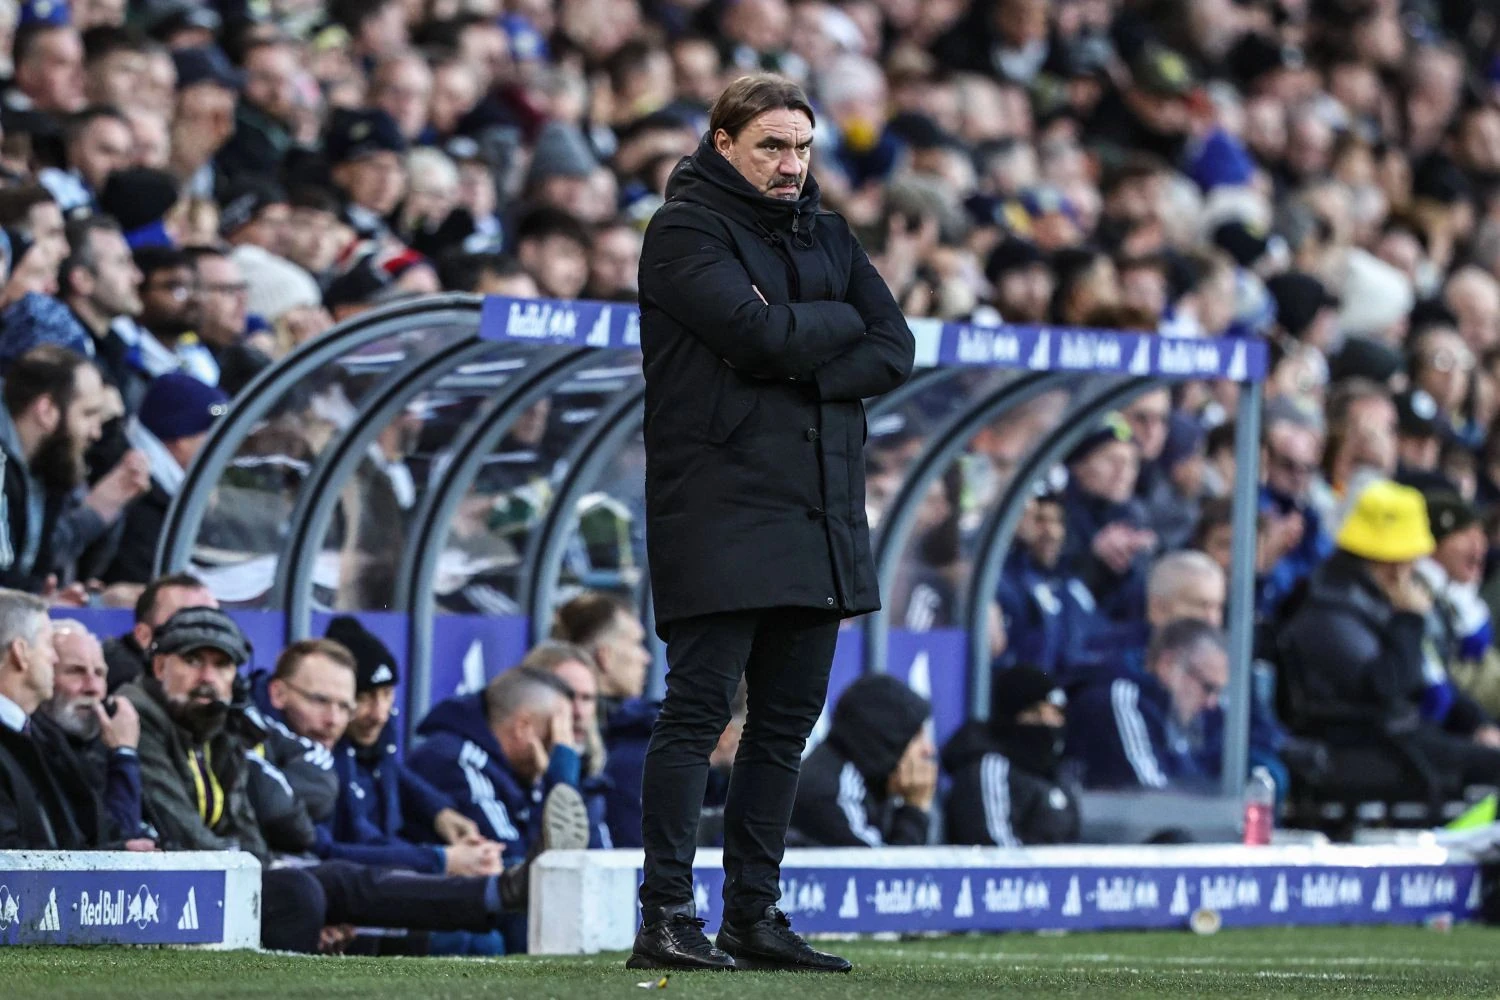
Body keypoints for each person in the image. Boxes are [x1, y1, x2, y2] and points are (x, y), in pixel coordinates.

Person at [633, 73, 913, 975]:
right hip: (718, 509)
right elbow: (754, 339)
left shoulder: (827, 229)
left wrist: (803, 358)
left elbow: (894, 346)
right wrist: (834, 327)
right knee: (696, 713)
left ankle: (753, 915)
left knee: (785, 726)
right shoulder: (683, 230)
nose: (791, 165)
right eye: (772, 147)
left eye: (801, 147)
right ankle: (665, 915)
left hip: (819, 510)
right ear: (723, 143)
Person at [118, 606, 567, 953]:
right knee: (312, 886)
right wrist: (437, 858)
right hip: (180, 891)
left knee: (337, 883)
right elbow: (277, 826)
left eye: (221, 666)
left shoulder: (217, 725)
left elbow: (264, 823)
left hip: (254, 875)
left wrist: (438, 815)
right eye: (194, 661)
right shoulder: (146, 720)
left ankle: (503, 891)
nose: (208, 678)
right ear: (159, 666)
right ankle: (500, 891)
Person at [1277, 482, 1500, 796]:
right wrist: (1409, 620)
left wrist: (1478, 724)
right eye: (1410, 558)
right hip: (1368, 749)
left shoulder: (1372, 597)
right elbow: (1387, 687)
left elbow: (1430, 677)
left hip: (1400, 738)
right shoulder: (1332, 605)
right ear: (1391, 563)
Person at [407, 664, 594, 953]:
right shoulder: (456, 758)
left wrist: (542, 783)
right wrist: (560, 776)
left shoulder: (516, 771)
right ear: (523, 728)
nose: (563, 745)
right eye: (557, 734)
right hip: (423, 902)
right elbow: (520, 864)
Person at [0, 345, 148, 595]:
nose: (96, 432)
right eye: (88, 414)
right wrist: (41, 599)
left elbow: (33, 564)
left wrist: (100, 508)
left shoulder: (45, 463)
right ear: (46, 411)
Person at [1066, 619, 1230, 790]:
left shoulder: (1179, 717)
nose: (1212, 703)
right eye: (1208, 688)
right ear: (1168, 664)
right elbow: (1150, 793)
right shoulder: (1122, 700)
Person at [550, 591, 655, 848]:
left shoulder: (645, 728)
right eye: (636, 643)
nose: (646, 658)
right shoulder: (638, 748)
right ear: (604, 656)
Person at [102, 372, 228, 584]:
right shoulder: (136, 494)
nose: (222, 448)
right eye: (211, 434)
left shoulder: (167, 488)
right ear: (181, 437)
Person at [36, 621, 154, 843]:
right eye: (75, 671)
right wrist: (124, 755)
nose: (92, 687)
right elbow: (118, 842)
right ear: (42, 675)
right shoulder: (31, 751)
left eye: (99, 673)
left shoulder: (107, 741)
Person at [789, 674, 934, 850]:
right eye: (916, 736)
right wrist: (914, 809)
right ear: (887, 738)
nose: (929, 749)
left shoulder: (869, 779)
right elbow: (884, 867)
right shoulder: (834, 794)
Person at [942, 665, 1080, 846]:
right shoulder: (989, 769)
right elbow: (994, 849)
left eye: (1056, 713)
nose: (1049, 723)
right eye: (1035, 713)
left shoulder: (1058, 775)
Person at [994, 488, 1100, 677]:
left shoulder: (1069, 583)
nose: (1051, 532)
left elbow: (1099, 635)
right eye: (1039, 520)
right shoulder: (1005, 580)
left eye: (1057, 521)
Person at [103, 570, 216, 691]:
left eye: (214, 621)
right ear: (143, 635)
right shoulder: (122, 679)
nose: (206, 634)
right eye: (187, 622)